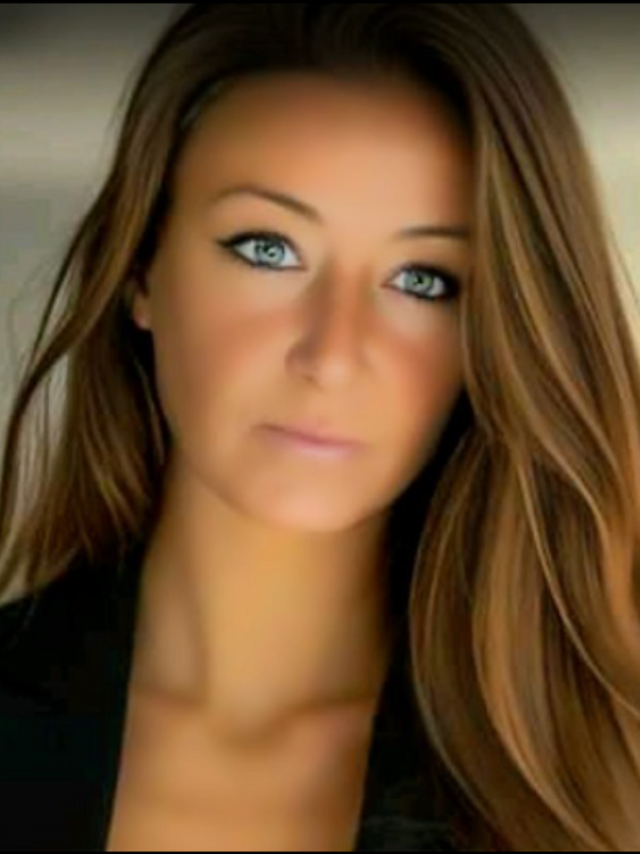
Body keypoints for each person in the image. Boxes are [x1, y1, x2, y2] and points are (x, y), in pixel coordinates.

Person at [1, 3, 639, 851]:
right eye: (268, 249)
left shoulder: (609, 776)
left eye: (422, 280)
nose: (333, 355)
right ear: (141, 269)